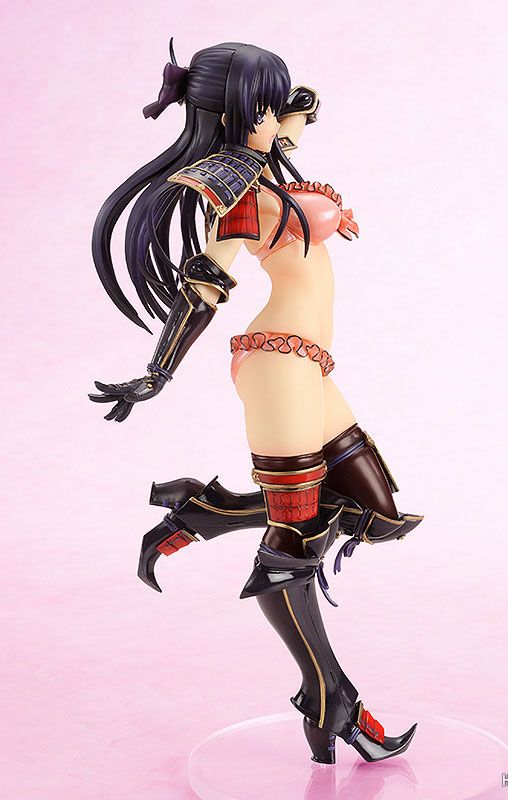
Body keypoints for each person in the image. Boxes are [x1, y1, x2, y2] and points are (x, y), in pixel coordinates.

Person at [89, 40, 422, 765]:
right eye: (263, 109)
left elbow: (294, 119)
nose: (279, 121)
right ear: (236, 116)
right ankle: (329, 696)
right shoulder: (236, 192)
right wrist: (156, 374)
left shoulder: (267, 160)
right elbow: (203, 288)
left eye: (276, 108)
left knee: (375, 510)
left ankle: (204, 513)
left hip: (310, 364)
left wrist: (291, 105)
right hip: (277, 364)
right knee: (294, 542)